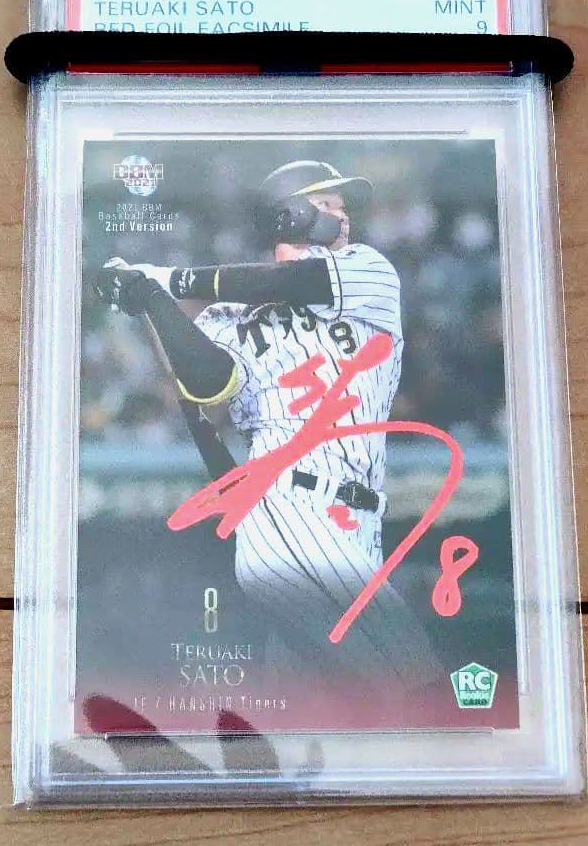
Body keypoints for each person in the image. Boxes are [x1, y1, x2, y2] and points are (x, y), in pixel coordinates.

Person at [97, 160, 438, 687]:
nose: (344, 216)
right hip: (288, 509)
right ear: (291, 214)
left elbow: (295, 281)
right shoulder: (226, 314)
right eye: (329, 205)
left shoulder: (368, 270)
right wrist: (154, 301)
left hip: (361, 524)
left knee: (322, 713)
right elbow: (209, 386)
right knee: (416, 686)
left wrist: (167, 279)